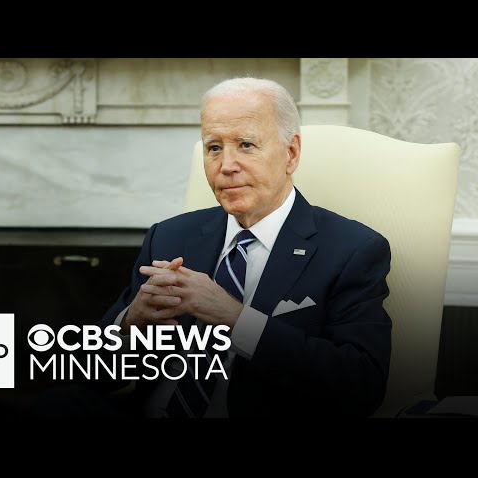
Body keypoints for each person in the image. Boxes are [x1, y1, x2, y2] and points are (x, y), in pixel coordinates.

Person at [96, 77, 392, 418]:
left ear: (291, 153)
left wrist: (236, 319)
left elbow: (362, 386)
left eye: (246, 144)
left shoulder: (352, 250)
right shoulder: (169, 236)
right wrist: (129, 324)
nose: (226, 166)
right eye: (214, 148)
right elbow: (91, 375)